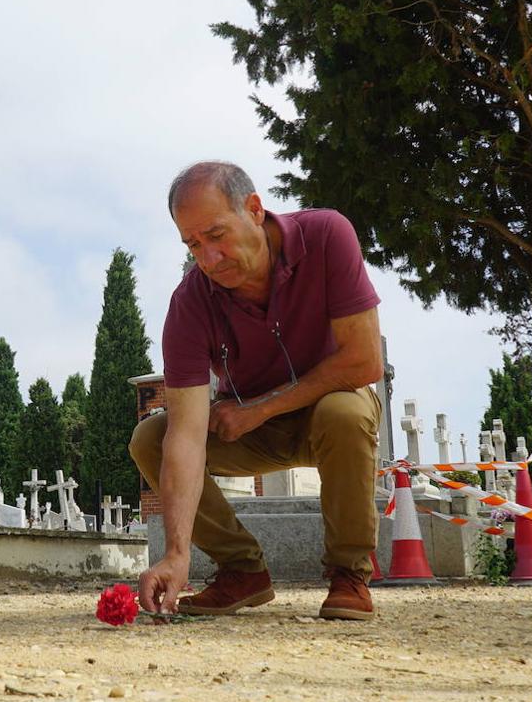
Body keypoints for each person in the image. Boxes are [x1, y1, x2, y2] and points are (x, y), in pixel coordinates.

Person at [131, 161, 384, 621]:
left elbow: (364, 360)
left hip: (325, 409)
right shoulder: (189, 304)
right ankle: (241, 571)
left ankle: (349, 573)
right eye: (193, 244)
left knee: (344, 413)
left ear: (253, 209)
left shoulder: (327, 235)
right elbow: (186, 435)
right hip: (250, 430)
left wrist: (258, 409)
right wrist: (176, 553)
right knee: (151, 437)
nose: (208, 259)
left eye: (216, 235)